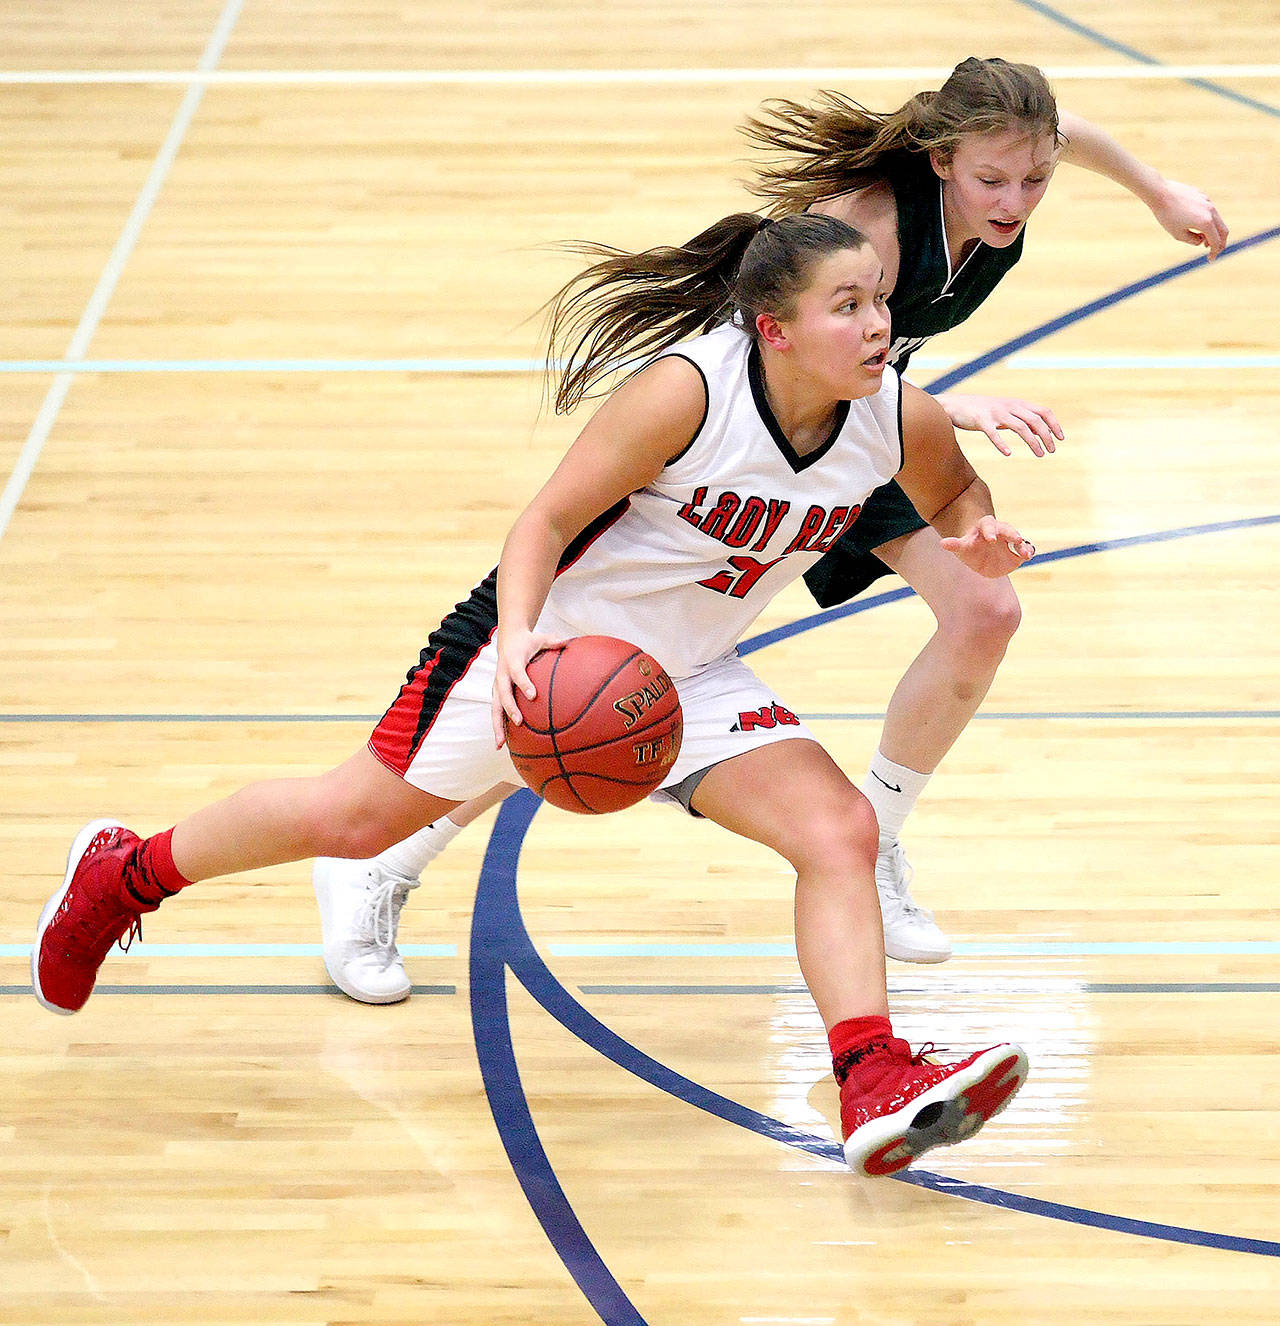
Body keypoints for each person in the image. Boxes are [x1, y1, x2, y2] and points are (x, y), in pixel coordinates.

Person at [34, 213, 1035, 1176]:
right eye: (845, 306)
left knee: (839, 832)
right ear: (773, 331)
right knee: (352, 819)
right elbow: (543, 523)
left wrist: (976, 533)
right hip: (550, 651)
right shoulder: (685, 394)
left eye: (876, 304)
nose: (874, 326)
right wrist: (518, 642)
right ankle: (125, 874)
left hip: (687, 673)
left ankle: (869, 1077)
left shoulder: (895, 414)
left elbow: (951, 491)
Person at [314, 56, 1228, 1004]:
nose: (1018, 197)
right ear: (943, 158)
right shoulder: (871, 225)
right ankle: (380, 859)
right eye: (995, 179)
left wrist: (1158, 192)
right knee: (599, 690)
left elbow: (1065, 132)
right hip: (780, 427)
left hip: (863, 419)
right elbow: (782, 355)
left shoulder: (1009, 164)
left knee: (985, 612)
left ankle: (874, 837)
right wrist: (946, 409)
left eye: (1035, 177)